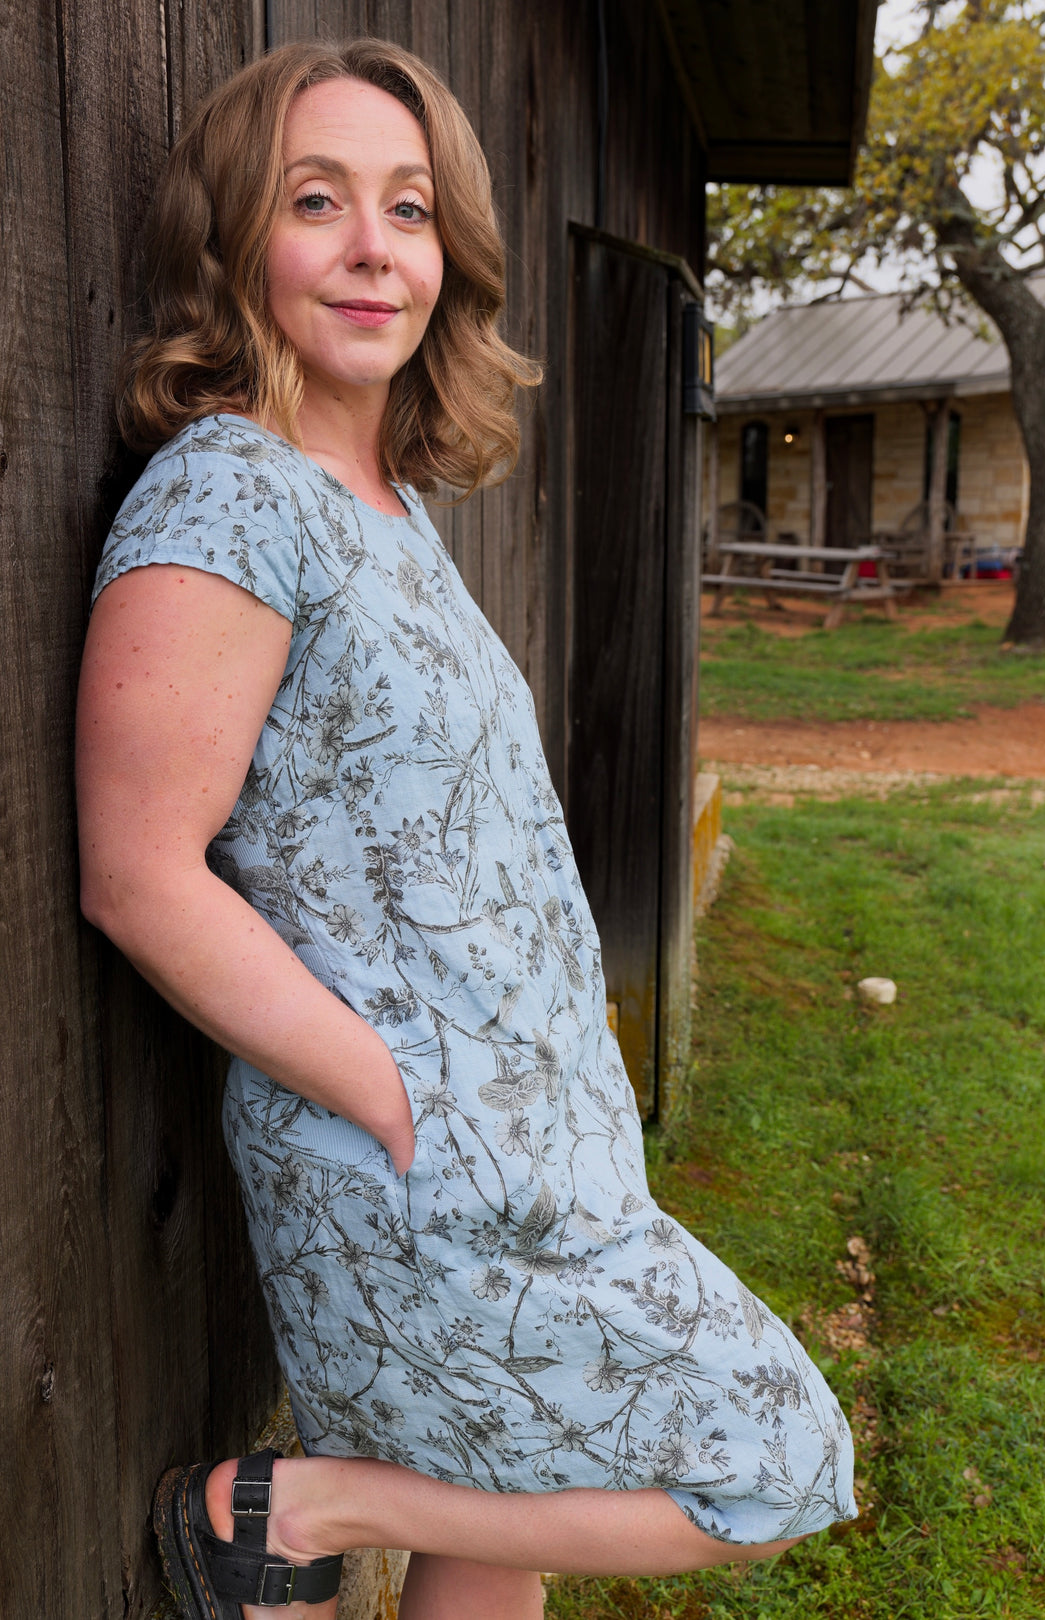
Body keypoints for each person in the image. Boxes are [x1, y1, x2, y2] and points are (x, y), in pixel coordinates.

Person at [76, 37, 857, 1620]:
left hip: (533, 1147)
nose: (376, 247)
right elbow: (139, 875)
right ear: (237, 243)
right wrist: (405, 1097)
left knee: (503, 1537)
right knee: (776, 1458)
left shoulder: (390, 507)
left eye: (411, 208)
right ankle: (292, 1511)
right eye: (317, 201)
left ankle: (319, 1511)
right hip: (416, 1165)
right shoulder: (228, 498)